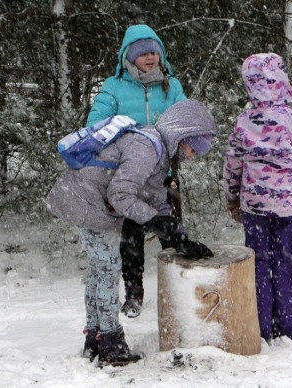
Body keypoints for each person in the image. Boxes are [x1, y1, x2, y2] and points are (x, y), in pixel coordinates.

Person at [45, 99, 217, 366]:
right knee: (108, 269)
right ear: (182, 136)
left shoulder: (157, 151)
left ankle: (95, 337)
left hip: (84, 200)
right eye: (194, 148)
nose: (194, 156)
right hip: (86, 202)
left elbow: (154, 197)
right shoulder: (146, 147)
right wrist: (157, 223)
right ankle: (111, 343)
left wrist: (179, 236)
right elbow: (121, 194)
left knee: (99, 270)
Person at [223, 53, 292, 342]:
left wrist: (232, 196)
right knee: (287, 265)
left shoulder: (244, 122)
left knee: (259, 265)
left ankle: (262, 327)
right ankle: (288, 328)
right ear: (282, 80)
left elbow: (232, 164)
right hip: (290, 208)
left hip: (255, 208)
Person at [87, 24, 187, 318]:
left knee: (170, 230)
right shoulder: (114, 87)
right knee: (130, 238)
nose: (150, 57)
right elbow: (95, 124)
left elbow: (183, 120)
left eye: (154, 52)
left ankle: (180, 286)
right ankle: (134, 294)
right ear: (129, 57)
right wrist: (128, 137)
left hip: (163, 173)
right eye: (143, 53)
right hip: (126, 175)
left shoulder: (172, 85)